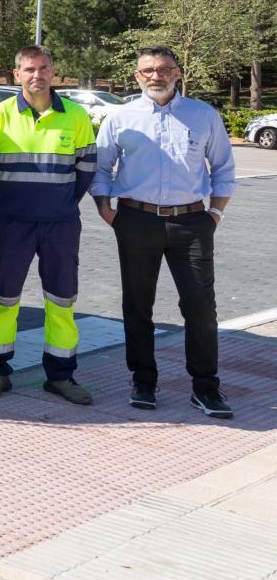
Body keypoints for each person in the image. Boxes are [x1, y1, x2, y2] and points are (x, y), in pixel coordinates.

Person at [91, 46, 235, 418]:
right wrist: (106, 210)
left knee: (201, 307)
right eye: (148, 70)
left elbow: (222, 167)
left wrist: (215, 213)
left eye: (164, 69)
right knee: (138, 305)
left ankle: (205, 388)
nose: (156, 76)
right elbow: (100, 167)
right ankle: (143, 380)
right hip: (136, 221)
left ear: (177, 72)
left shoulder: (203, 115)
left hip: (192, 223)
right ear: (137, 76)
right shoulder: (120, 117)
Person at [0, 45, 97, 404]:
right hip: (11, 223)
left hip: (60, 224)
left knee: (61, 299)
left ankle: (61, 376)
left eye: (43, 68)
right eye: (29, 69)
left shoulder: (75, 116)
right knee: (3, 298)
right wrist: (10, 204)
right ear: (17, 74)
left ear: (54, 72)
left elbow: (86, 169)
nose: (37, 75)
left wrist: (59, 202)